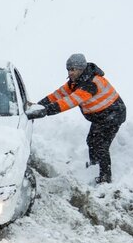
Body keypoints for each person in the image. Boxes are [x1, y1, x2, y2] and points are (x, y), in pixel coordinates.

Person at [33, 53, 126, 183]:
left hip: (113, 114)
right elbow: (58, 95)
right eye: (68, 70)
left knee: (101, 144)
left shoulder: (91, 83)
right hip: (101, 116)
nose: (70, 73)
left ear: (81, 69)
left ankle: (105, 177)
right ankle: (93, 167)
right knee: (91, 141)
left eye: (73, 69)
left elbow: (70, 101)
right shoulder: (75, 82)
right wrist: (38, 106)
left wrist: (45, 111)